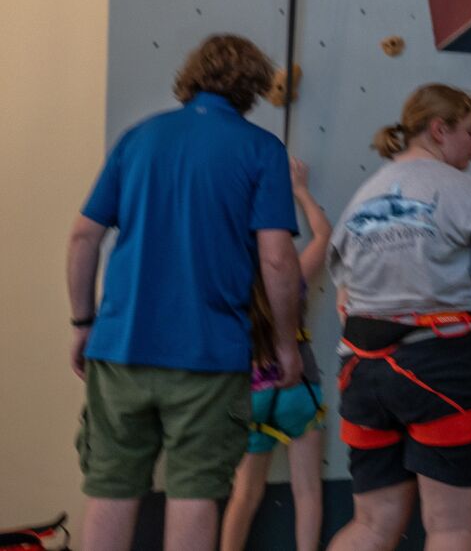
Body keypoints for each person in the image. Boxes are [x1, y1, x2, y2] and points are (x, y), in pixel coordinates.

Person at [67, 34, 302, 551]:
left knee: (110, 487)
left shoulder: (138, 138)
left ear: (191, 76)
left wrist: (84, 322)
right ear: (254, 88)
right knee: (195, 491)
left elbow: (84, 235)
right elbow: (278, 259)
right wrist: (286, 343)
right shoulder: (261, 149)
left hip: (120, 347)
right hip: (210, 355)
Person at [326, 85, 471, 551]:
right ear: (440, 130)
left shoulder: (363, 197)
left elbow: (346, 302)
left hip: (362, 373)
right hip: (447, 368)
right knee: (451, 529)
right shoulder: (468, 193)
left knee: (373, 525)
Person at [220, 159, 331, 551]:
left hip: (249, 393)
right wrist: (299, 189)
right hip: (299, 387)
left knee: (244, 494)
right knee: (307, 493)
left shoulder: (229, 288)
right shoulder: (292, 277)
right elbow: (323, 235)